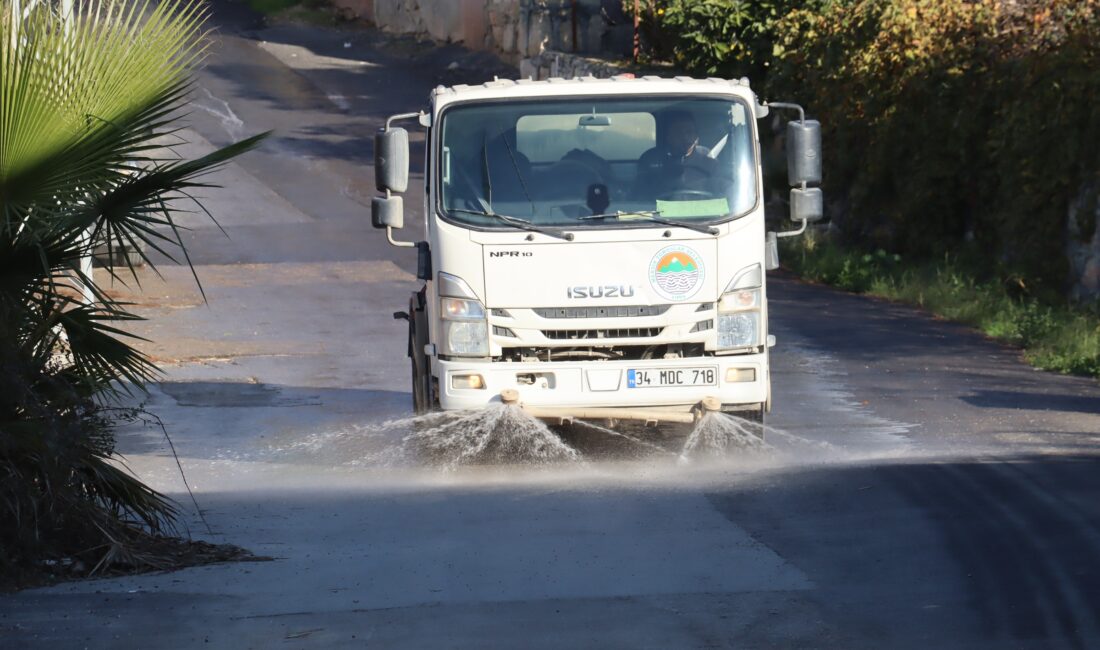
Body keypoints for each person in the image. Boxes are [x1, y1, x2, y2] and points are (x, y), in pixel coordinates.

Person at [635, 110, 718, 199]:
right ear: (668, 136)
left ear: (696, 136)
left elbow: (723, 201)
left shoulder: (709, 161)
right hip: (660, 211)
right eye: (678, 133)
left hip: (704, 212)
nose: (685, 137)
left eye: (689, 132)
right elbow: (639, 199)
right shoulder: (650, 159)